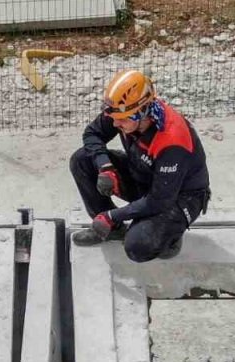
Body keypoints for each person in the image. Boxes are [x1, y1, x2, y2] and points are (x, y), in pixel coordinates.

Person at [69, 70, 211, 260]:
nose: (115, 123)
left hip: (178, 197)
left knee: (138, 245)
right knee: (82, 160)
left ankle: (169, 238)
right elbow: (92, 134)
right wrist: (105, 167)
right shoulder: (122, 112)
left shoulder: (172, 140)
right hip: (145, 175)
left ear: (142, 113)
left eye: (122, 119)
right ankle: (111, 230)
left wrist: (112, 215)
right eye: (113, 117)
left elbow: (159, 201)